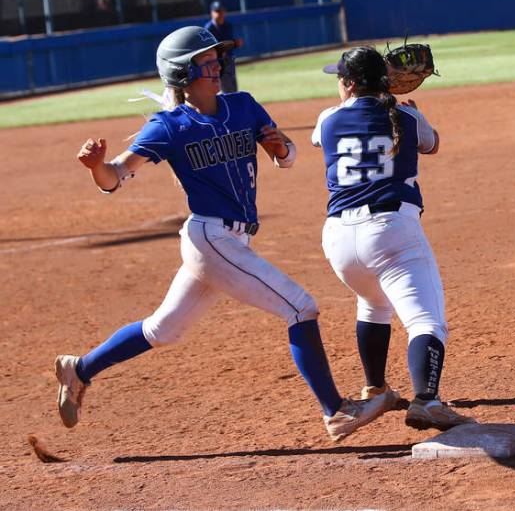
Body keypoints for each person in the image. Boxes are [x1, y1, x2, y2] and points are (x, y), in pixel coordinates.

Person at [56, 26, 390, 443]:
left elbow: (286, 158)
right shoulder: (170, 126)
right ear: (182, 73)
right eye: (206, 62)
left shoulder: (244, 106)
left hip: (231, 241)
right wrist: (96, 167)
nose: (217, 67)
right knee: (301, 308)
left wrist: (280, 147)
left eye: (217, 60)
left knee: (164, 330)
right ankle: (336, 411)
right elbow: (116, 177)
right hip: (210, 238)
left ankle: (80, 368)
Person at [311, 46, 476, 431]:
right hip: (390, 232)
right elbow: (432, 143)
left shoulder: (327, 120)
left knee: (373, 303)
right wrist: (411, 108)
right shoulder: (406, 116)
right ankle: (428, 401)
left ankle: (376, 389)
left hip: (339, 240)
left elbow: (334, 134)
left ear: (349, 85)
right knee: (426, 322)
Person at [204, 1, 244, 94]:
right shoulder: (208, 28)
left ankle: (233, 106)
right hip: (217, 62)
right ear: (212, 13)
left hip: (229, 60)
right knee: (226, 90)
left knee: (233, 87)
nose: (220, 14)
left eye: (221, 11)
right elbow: (211, 47)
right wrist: (231, 44)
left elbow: (228, 42)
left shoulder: (228, 26)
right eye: (217, 11)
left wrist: (234, 43)